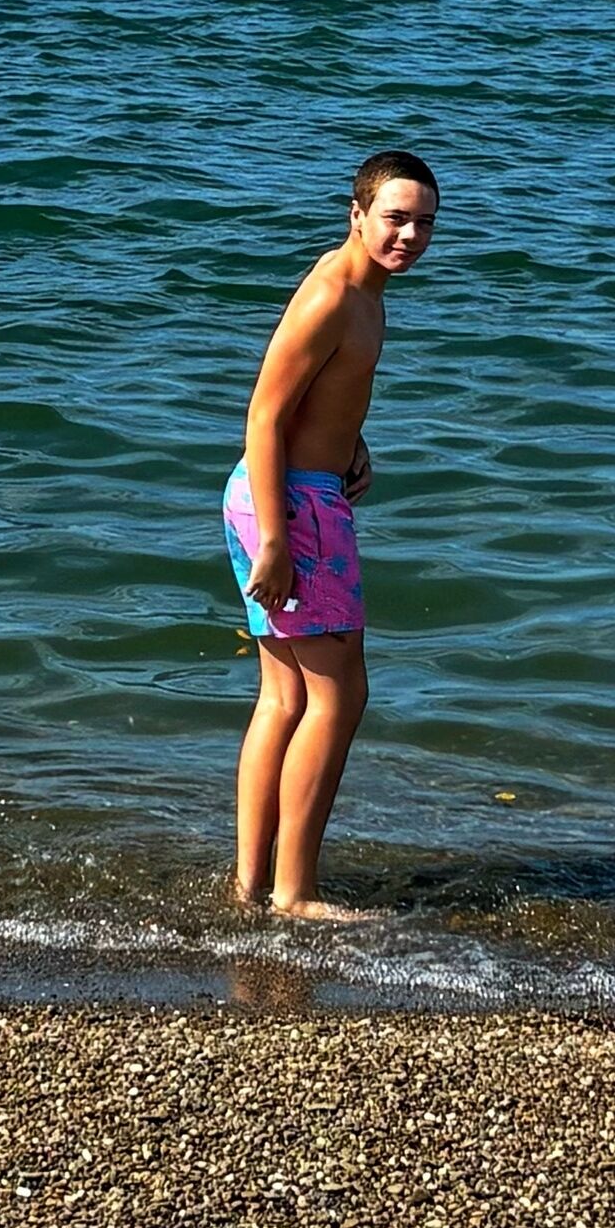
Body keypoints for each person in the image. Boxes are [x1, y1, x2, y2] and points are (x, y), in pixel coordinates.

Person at [224, 150, 440, 920]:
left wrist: (352, 445)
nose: (410, 235)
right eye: (395, 218)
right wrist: (278, 540)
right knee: (339, 696)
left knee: (284, 696)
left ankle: (251, 887)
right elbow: (264, 412)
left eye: (423, 223)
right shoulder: (333, 294)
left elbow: (319, 401)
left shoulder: (365, 291)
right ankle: (295, 894)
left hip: (293, 493)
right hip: (290, 505)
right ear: (356, 215)